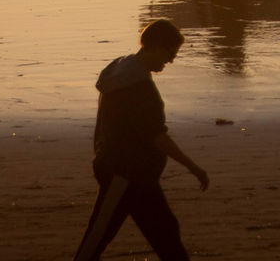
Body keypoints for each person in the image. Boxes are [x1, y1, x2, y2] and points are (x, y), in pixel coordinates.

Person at [72, 18, 208, 261]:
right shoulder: (138, 87)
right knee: (94, 244)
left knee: (167, 234)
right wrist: (193, 167)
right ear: (155, 45)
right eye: (170, 52)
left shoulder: (122, 70)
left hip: (139, 177)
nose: (171, 60)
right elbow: (158, 136)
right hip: (123, 175)